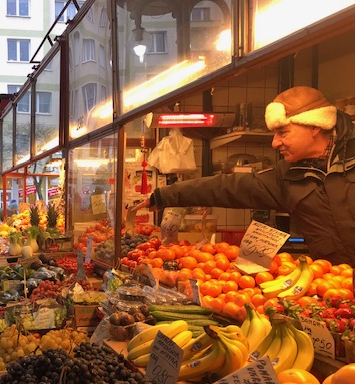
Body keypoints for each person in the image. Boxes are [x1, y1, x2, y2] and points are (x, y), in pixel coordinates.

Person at [136, 86, 355, 265]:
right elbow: (227, 187)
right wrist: (164, 196)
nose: (275, 142)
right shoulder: (286, 176)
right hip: (335, 286)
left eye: (283, 133)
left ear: (314, 127)